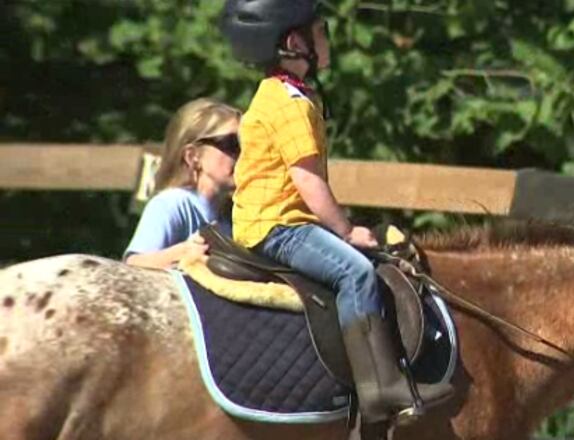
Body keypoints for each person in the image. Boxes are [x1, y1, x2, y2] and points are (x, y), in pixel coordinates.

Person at [220, 0, 453, 424]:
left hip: (273, 220)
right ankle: (379, 386)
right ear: (294, 42)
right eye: (320, 30)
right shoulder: (289, 105)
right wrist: (347, 232)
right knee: (356, 272)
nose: (327, 38)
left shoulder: (281, 95)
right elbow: (309, 182)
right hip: (279, 227)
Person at [124, 98, 241, 269]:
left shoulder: (233, 214)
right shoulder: (172, 204)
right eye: (232, 144)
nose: (244, 154)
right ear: (193, 156)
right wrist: (178, 255)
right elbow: (132, 265)